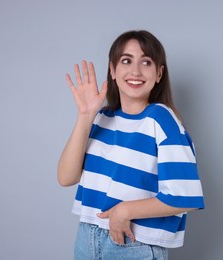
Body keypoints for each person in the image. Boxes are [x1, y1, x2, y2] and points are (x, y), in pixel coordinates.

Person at [57, 30, 205, 260]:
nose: (136, 71)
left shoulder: (161, 119)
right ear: (113, 70)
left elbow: (186, 195)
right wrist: (85, 116)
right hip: (86, 238)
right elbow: (66, 177)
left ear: (159, 74)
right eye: (126, 61)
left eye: (146, 62)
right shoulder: (102, 117)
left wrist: (125, 210)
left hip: (134, 244)